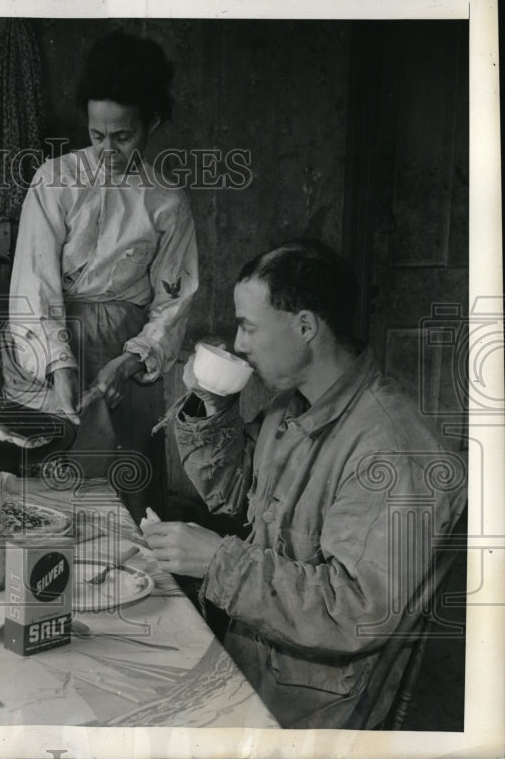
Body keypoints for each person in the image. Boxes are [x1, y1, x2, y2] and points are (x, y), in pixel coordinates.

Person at [143, 240, 467, 728]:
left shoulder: (393, 451)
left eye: (249, 326)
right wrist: (213, 406)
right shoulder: (291, 407)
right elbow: (235, 496)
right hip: (253, 663)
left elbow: (355, 610)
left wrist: (217, 561)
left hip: (310, 710)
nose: (240, 343)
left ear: (306, 326)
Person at [4, 30, 199, 522]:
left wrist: (132, 361)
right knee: (46, 495)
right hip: (44, 342)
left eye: (123, 136)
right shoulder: (53, 182)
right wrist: (59, 365)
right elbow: (34, 286)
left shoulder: (167, 201)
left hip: (124, 350)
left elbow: (173, 303)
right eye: (96, 135)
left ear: (151, 122)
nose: (107, 149)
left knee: (125, 496)